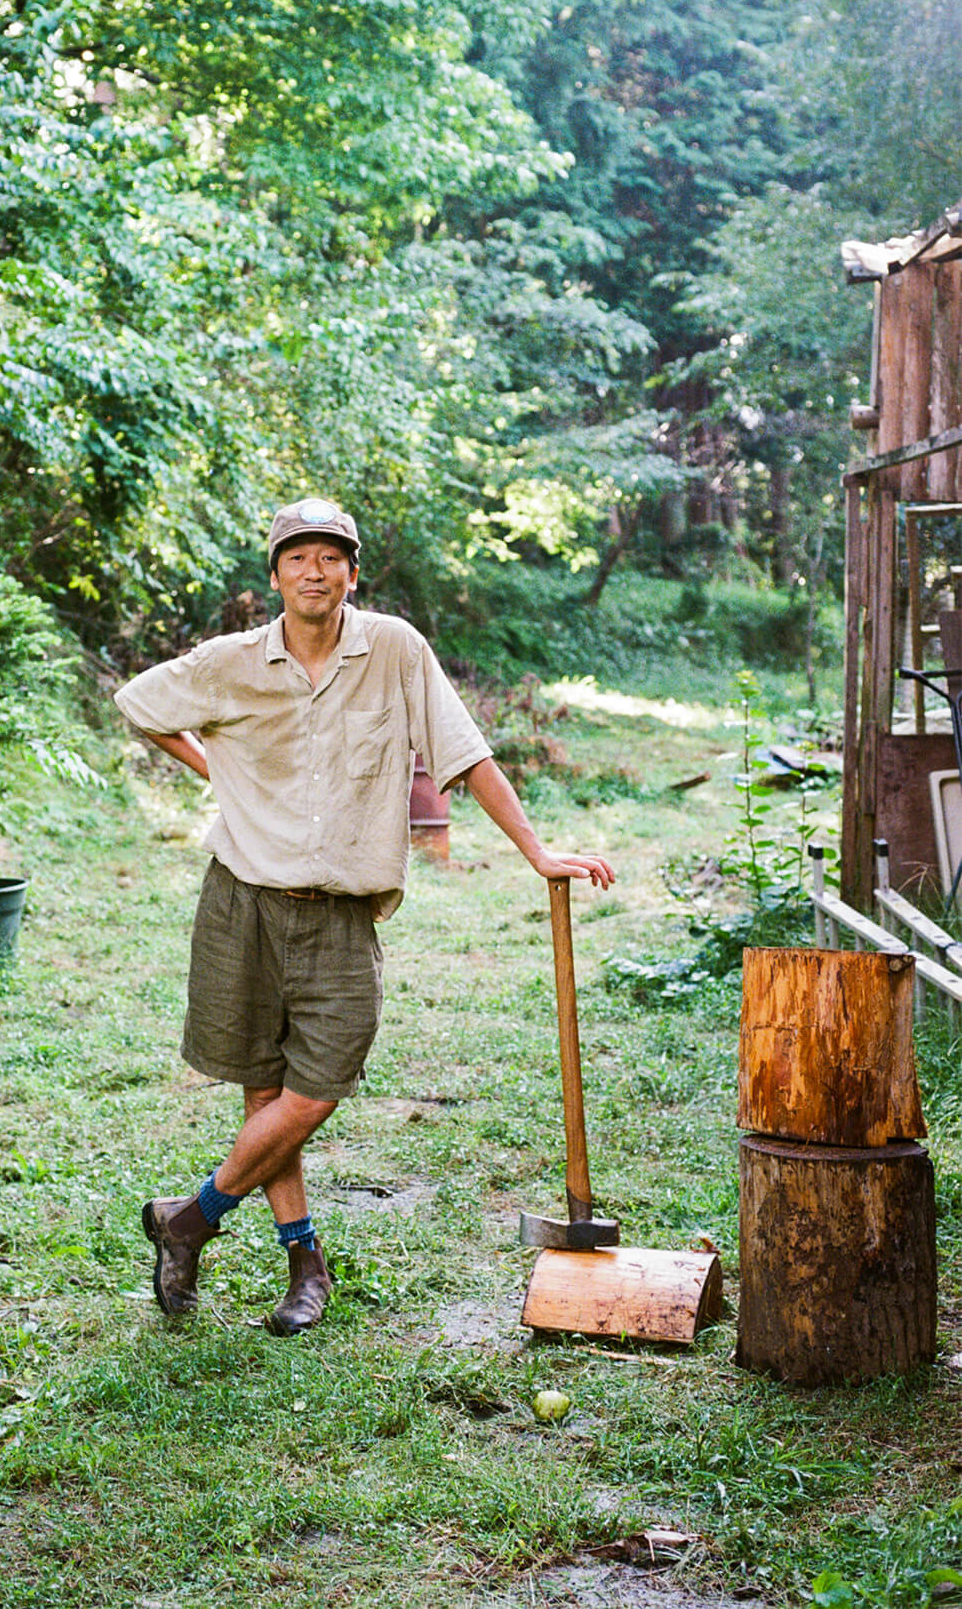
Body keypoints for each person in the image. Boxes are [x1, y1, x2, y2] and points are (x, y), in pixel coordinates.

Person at [113, 497, 615, 1336]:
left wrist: (536, 851)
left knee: (314, 1090)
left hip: (343, 914)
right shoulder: (231, 661)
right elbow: (139, 702)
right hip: (243, 900)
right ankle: (304, 1264)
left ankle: (189, 1218)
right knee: (265, 1091)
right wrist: (217, 773)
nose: (315, 572)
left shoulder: (393, 650)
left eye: (331, 557)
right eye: (297, 558)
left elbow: (466, 753)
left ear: (353, 571)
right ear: (274, 576)